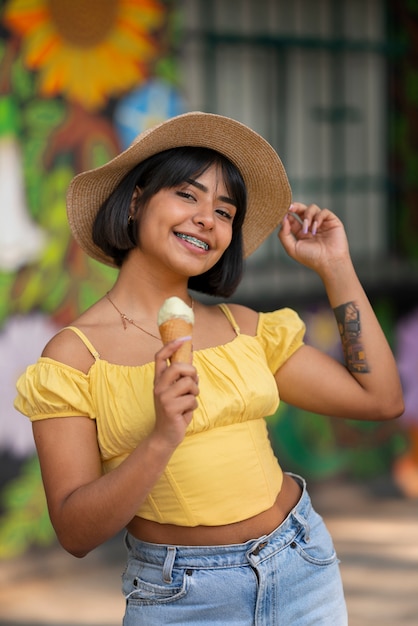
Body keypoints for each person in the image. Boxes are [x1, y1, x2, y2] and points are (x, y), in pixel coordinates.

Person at [15, 112, 404, 625]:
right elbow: (74, 533)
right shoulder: (73, 358)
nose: (207, 219)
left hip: (302, 566)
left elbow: (381, 400)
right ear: (135, 201)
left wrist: (335, 266)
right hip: (183, 599)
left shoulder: (244, 327)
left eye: (225, 211)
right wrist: (160, 437)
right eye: (187, 195)